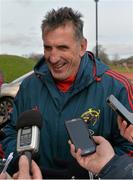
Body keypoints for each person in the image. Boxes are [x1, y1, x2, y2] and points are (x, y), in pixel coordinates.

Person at [2, 7, 133, 179]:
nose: (53, 57)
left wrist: (92, 170)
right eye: (48, 47)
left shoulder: (116, 87)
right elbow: (10, 132)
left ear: (82, 46)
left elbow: (129, 147)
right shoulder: (29, 86)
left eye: (62, 47)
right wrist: (23, 161)